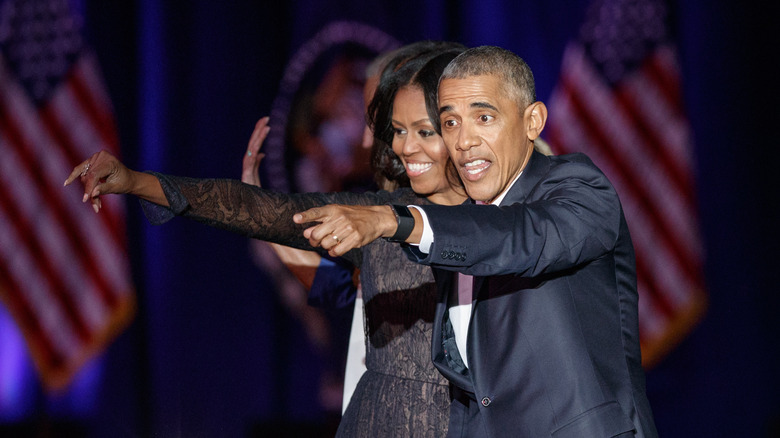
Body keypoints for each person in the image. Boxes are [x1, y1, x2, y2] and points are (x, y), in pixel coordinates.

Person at [66, 42, 467, 437]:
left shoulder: (508, 218)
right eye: (393, 129)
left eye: (422, 130)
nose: (394, 144)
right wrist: (136, 181)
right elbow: (329, 282)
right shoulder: (367, 213)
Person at [294, 46, 658, 437]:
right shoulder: (460, 224)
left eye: (483, 117)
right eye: (450, 123)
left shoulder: (579, 188)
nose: (463, 140)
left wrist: (394, 221)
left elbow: (518, 237)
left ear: (532, 121)